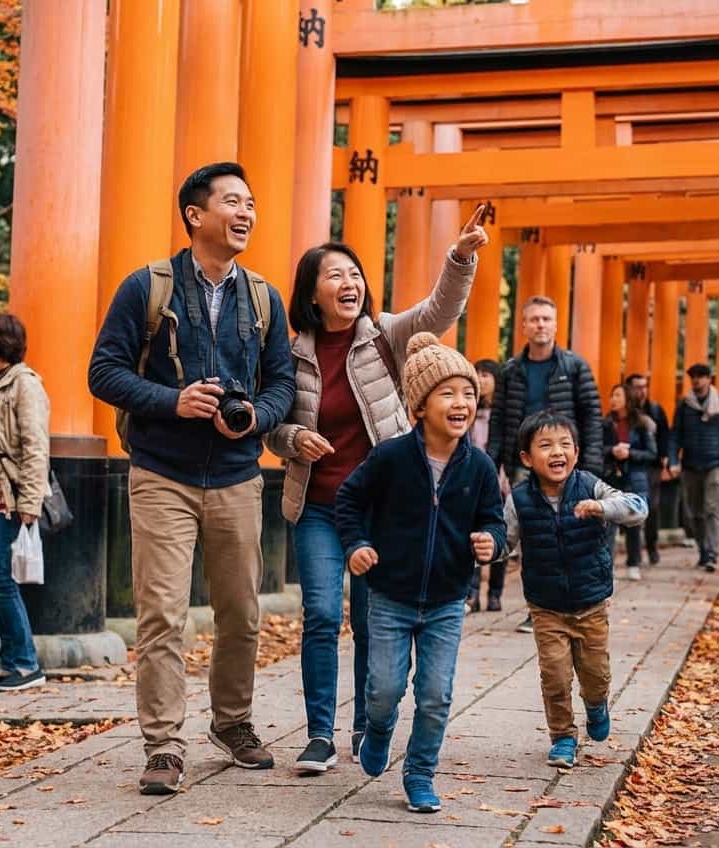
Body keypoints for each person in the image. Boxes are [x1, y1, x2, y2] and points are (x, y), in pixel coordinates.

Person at [88, 162, 296, 795]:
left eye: (252, 203)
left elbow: (282, 382)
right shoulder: (145, 288)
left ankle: (232, 723)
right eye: (233, 201)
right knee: (162, 616)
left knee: (241, 613)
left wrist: (257, 416)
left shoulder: (263, 299)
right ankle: (164, 745)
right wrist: (170, 401)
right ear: (195, 215)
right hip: (162, 473)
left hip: (237, 475)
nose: (246, 213)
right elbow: (104, 373)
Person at [264, 211, 487, 774]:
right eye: (336, 275)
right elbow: (271, 425)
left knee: (369, 619)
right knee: (319, 613)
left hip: (381, 509)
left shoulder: (384, 334)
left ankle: (368, 722)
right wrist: (293, 436)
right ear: (312, 294)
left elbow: (440, 310)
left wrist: (460, 256)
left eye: (355, 274)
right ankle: (319, 733)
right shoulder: (291, 355)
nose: (350, 283)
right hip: (318, 505)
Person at [335, 332, 506, 813]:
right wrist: (358, 544)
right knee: (384, 689)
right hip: (389, 595)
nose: (462, 403)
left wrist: (491, 541)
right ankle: (379, 728)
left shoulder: (479, 467)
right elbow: (349, 500)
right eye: (448, 393)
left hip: (449, 599)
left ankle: (420, 772)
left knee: (435, 694)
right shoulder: (391, 457)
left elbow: (493, 519)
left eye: (469, 393)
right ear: (419, 405)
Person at [506, 411, 646, 769]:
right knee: (554, 674)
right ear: (526, 457)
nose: (557, 452)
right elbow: (503, 542)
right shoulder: (519, 499)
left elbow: (638, 508)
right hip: (545, 605)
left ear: (577, 452)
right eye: (546, 446)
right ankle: (563, 737)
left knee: (595, 674)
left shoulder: (591, 486)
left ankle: (596, 705)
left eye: (565, 445)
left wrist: (602, 508)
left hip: (591, 602)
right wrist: (482, 549)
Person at [487, 296, 602, 634]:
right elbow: (499, 419)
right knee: (532, 536)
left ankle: (575, 601)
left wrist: (591, 463)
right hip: (523, 461)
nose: (540, 325)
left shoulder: (574, 367)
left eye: (546, 319)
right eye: (534, 319)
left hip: (564, 461)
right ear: (523, 326)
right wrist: (493, 463)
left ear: (555, 325)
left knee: (565, 532)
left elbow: (592, 417)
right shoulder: (511, 370)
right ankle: (537, 607)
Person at [0, 313, 48, 693]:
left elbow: (36, 446)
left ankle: (25, 663)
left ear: (1, 343)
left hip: (13, 498)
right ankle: (10, 663)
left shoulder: (25, 386)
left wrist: (30, 501)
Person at [668, 363, 719, 572]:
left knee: (712, 508)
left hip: (717, 464)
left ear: (710, 379)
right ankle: (703, 549)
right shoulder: (684, 406)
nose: (697, 381)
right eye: (693, 377)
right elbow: (675, 436)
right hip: (691, 465)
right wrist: (673, 460)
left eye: (701, 376)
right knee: (695, 513)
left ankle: (712, 553)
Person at [601, 384, 657, 581]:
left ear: (628, 399)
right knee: (609, 524)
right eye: (611, 395)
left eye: (617, 395)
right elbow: (598, 448)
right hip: (611, 477)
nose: (613, 399)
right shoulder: (606, 423)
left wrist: (629, 453)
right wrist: (612, 451)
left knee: (633, 522)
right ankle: (608, 566)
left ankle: (634, 562)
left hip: (634, 477)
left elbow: (651, 453)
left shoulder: (641, 424)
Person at [467, 358, 505, 612]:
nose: (481, 379)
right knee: (471, 534)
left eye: (486, 375)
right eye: (477, 374)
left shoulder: (503, 412)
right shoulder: (468, 409)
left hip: (499, 477)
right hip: (471, 477)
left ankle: (495, 593)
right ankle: (472, 594)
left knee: (498, 534)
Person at [623, 373, 670, 564]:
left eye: (644, 386)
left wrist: (667, 459)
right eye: (637, 387)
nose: (642, 391)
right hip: (628, 466)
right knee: (629, 510)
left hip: (651, 466)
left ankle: (651, 546)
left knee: (651, 508)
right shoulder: (623, 412)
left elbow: (666, 435)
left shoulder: (656, 410)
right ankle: (633, 554)